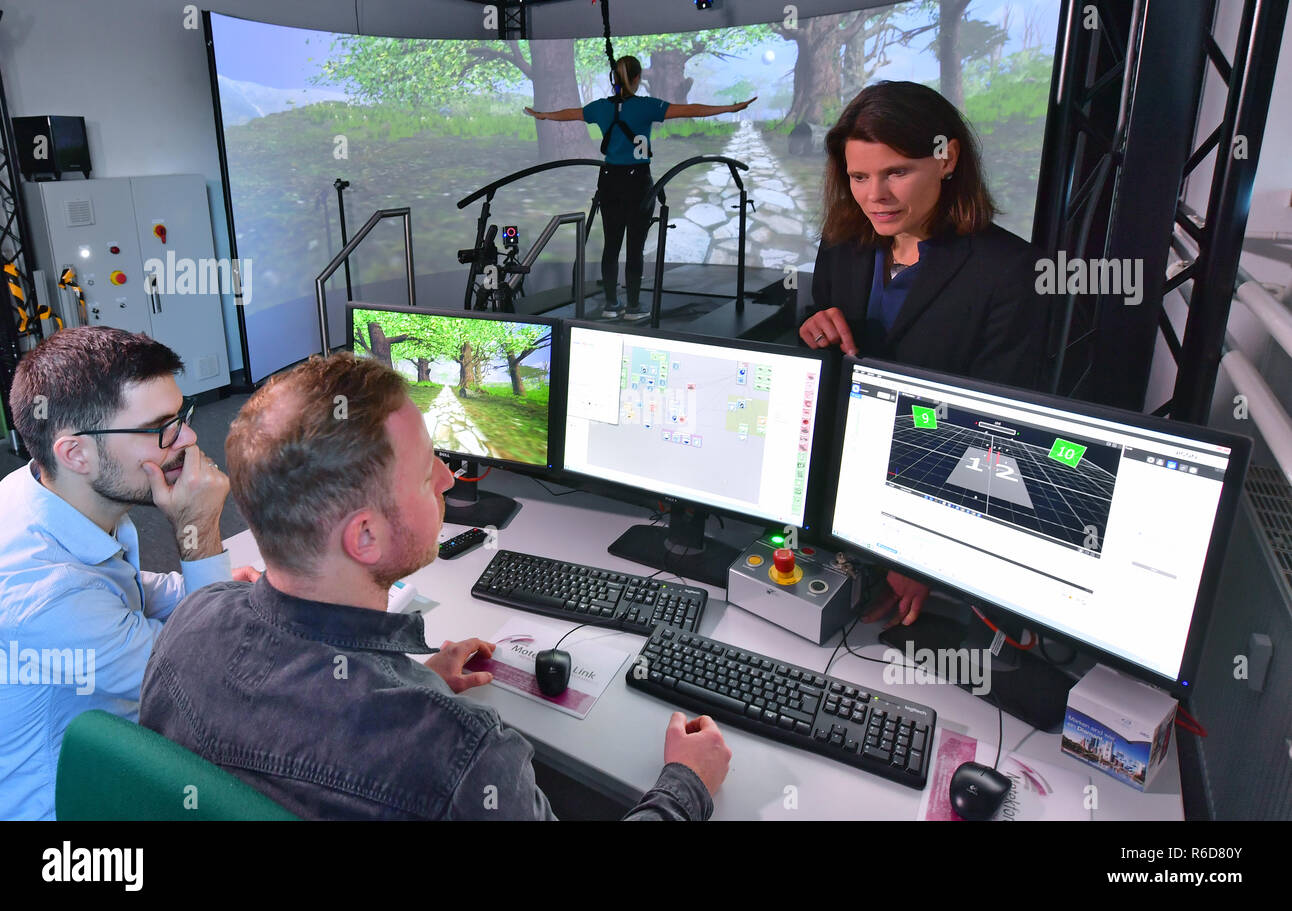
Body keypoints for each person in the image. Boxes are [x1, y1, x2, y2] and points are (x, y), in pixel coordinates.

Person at [140, 352, 732, 819]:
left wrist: (412, 680)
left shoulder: (189, 625)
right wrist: (686, 784)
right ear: (364, 537)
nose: (450, 476)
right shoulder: (463, 754)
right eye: (428, 472)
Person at [799, 81, 1050, 628]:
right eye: (859, 177)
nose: (874, 196)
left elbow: (995, 430)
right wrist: (813, 331)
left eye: (896, 173)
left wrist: (921, 554)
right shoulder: (843, 242)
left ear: (947, 157)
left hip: (931, 515)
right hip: (834, 498)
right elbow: (826, 360)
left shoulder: (1009, 271)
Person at [0, 327, 251, 820]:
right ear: (76, 453)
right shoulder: (45, 594)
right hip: (75, 815)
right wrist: (198, 530)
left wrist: (214, 586)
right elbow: (211, 684)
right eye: (162, 427)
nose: (190, 438)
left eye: (184, 416)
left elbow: (128, 592)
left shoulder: (38, 491)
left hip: (111, 750)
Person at [526, 55, 755, 319]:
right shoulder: (647, 106)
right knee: (635, 246)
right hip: (638, 183)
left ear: (615, 78)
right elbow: (691, 110)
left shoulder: (600, 107)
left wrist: (543, 115)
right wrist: (729, 108)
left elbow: (570, 114)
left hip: (610, 181)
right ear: (637, 79)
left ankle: (611, 305)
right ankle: (633, 307)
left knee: (612, 245)